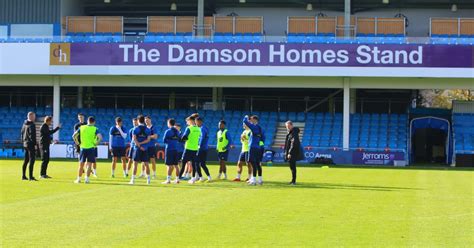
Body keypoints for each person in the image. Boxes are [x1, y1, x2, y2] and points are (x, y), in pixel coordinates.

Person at [73, 116, 102, 184]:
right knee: (89, 164)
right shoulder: (95, 129)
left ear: (87, 121)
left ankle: (79, 179)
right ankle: (87, 179)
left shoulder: (82, 127)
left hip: (83, 148)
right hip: (91, 148)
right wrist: (96, 144)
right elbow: (100, 137)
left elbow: (74, 136)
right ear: (94, 122)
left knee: (81, 165)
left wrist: (78, 143)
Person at [178, 115, 201, 184]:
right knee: (193, 164)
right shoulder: (198, 129)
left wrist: (181, 139)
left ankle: (178, 178)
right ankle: (193, 178)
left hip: (188, 148)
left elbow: (184, 137)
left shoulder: (189, 128)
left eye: (187, 121)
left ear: (191, 121)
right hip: (195, 148)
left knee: (183, 163)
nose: (187, 123)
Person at [129, 115, 152, 185]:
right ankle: (148, 180)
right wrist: (142, 145)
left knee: (135, 164)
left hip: (137, 148)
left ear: (138, 121)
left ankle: (132, 180)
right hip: (145, 148)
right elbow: (148, 140)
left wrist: (139, 145)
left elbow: (134, 139)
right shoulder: (148, 129)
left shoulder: (135, 129)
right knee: (146, 164)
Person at [243, 115, 265, 186]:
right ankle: (260, 180)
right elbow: (263, 138)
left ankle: (254, 181)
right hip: (259, 148)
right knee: (258, 164)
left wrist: (246, 116)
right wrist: (260, 146)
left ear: (255, 120)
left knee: (253, 163)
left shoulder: (254, 126)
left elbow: (245, 121)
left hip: (252, 147)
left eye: (251, 119)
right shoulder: (260, 128)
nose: (250, 120)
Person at [284, 121, 303, 185]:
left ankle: (293, 181)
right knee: (292, 167)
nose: (287, 127)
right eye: (286, 126)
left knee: (293, 167)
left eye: (288, 126)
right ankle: (293, 180)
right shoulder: (291, 132)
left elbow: (293, 143)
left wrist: (290, 152)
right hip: (292, 152)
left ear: (292, 125)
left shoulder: (293, 133)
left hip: (293, 152)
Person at [162, 118, 180, 184]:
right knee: (176, 165)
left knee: (169, 165)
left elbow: (164, 140)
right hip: (176, 149)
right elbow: (178, 139)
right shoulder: (177, 131)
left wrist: (169, 142)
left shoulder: (168, 131)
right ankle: (177, 179)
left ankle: (168, 180)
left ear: (169, 123)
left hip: (169, 149)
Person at [21, 112, 38, 181]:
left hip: (25, 144)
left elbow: (21, 133)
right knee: (32, 160)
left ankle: (23, 176)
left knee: (26, 161)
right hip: (30, 144)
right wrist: (35, 145)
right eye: (34, 116)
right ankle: (31, 177)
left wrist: (23, 142)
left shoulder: (24, 124)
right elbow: (32, 136)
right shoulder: (32, 125)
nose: (35, 118)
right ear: (30, 116)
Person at [195, 116, 212, 182]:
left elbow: (202, 137)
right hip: (205, 148)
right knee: (202, 164)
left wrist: (199, 145)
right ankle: (209, 177)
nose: (196, 124)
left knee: (196, 163)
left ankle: (201, 177)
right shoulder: (205, 128)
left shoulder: (202, 129)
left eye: (196, 122)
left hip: (201, 148)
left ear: (199, 122)